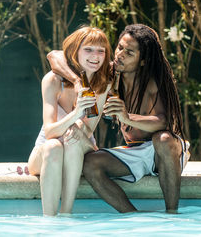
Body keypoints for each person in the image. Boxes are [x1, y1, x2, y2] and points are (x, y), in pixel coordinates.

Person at [47, 24, 190, 213]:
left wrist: (127, 117)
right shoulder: (110, 74)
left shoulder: (153, 81)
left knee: (162, 139)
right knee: (90, 164)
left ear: (143, 61)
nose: (120, 54)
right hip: (135, 151)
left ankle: (172, 214)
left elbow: (163, 123)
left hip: (165, 150)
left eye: (129, 52)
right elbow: (54, 56)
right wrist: (76, 81)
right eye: (120, 47)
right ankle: (132, 216)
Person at [27, 26, 112, 216]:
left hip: (80, 146)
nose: (95, 56)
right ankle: (49, 220)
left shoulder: (102, 84)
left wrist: (76, 124)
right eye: (88, 49)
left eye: (101, 51)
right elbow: (50, 132)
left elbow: (88, 129)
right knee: (53, 146)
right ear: (76, 51)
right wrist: (75, 114)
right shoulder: (53, 80)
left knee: (73, 137)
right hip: (46, 151)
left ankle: (66, 213)